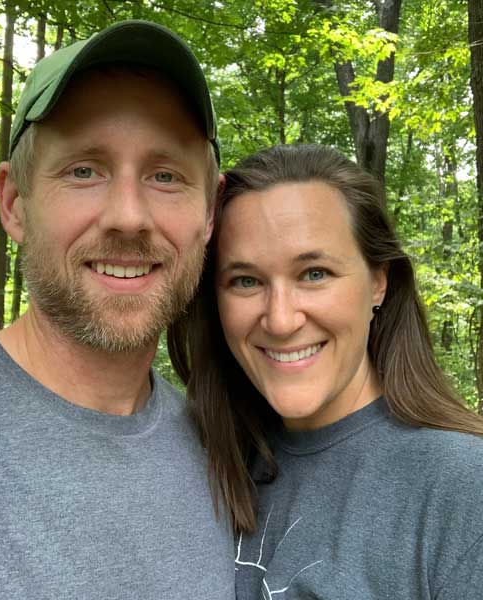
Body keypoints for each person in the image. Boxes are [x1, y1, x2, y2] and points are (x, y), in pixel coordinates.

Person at [0, 20, 235, 599]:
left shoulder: (222, 458)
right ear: (15, 204)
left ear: (210, 215)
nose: (128, 215)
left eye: (165, 175)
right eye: (84, 171)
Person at [169, 144, 483, 599]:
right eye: (246, 281)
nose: (280, 319)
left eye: (314, 273)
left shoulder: (461, 489)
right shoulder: (203, 462)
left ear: (379, 281)